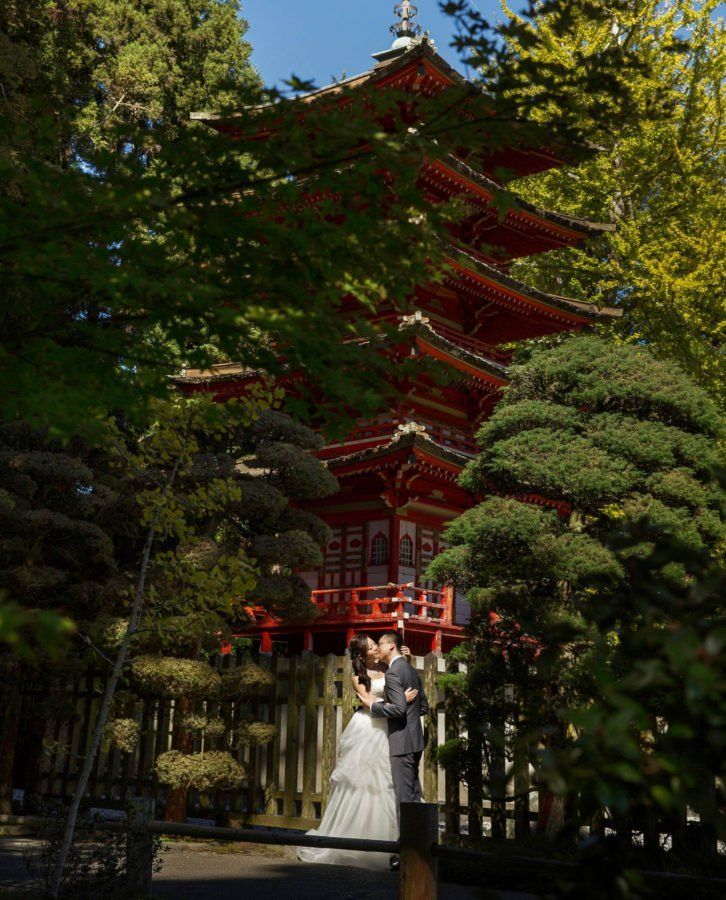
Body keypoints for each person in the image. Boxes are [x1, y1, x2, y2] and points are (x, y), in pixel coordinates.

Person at [297, 633, 419, 870]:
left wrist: (407, 662)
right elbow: (368, 702)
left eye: (376, 645)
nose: (376, 649)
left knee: (393, 780)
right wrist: (400, 701)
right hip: (369, 727)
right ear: (362, 654)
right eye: (371, 647)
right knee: (365, 780)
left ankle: (397, 839)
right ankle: (361, 836)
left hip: (390, 725)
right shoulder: (358, 677)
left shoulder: (390, 667)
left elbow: (402, 683)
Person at [360, 630, 429, 872]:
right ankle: (415, 848)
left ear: (391, 646)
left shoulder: (392, 673)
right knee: (411, 796)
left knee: (404, 800)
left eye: (380, 643)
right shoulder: (410, 670)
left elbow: (399, 709)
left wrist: (376, 709)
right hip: (415, 740)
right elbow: (424, 707)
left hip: (401, 743)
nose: (377, 647)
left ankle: (407, 854)